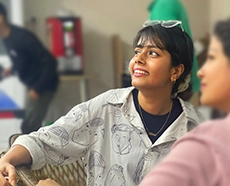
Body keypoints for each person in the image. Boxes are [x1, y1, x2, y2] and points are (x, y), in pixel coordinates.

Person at [0, 20, 203, 186]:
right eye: (137, 51)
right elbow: (43, 141)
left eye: (153, 53)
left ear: (176, 71)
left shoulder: (194, 130)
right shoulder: (107, 107)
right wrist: (7, 160)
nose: (138, 59)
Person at [139, 18, 230, 186]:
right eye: (137, 51)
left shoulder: (201, 135)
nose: (201, 72)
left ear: (176, 71)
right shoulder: (103, 106)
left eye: (211, 58)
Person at [0, 3, 59, 134]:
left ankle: (34, 154)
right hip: (32, 84)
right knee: (28, 126)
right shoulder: (7, 38)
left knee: (30, 128)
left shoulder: (22, 37)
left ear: (1, 18)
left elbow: (49, 62)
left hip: (43, 85)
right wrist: (12, 69)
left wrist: (37, 89)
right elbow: (23, 58)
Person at [148, 0, 200, 103]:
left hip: (177, 82)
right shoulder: (170, 3)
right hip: (184, 77)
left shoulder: (165, 4)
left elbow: (168, 42)